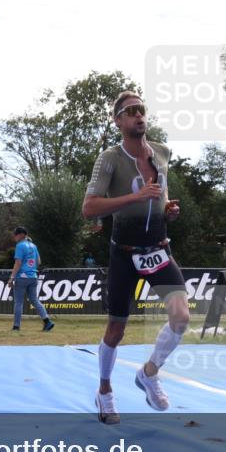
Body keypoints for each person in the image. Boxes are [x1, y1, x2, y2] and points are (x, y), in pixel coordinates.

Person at [81, 91, 187, 425]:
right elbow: (89, 208)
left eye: (142, 109)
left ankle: (149, 373)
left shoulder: (162, 152)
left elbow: (161, 197)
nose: (139, 115)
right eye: (130, 111)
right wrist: (135, 197)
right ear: (118, 121)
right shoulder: (109, 159)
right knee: (116, 329)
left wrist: (168, 210)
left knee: (181, 317)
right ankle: (104, 390)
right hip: (124, 253)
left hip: (158, 248)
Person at [8, 226, 55, 332]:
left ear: (21, 235)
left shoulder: (20, 245)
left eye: (15, 234)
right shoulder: (33, 246)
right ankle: (47, 321)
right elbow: (38, 261)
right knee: (35, 300)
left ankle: (16, 326)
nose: (14, 236)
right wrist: (31, 268)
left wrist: (12, 277)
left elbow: (18, 263)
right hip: (33, 277)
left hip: (22, 277)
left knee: (18, 302)